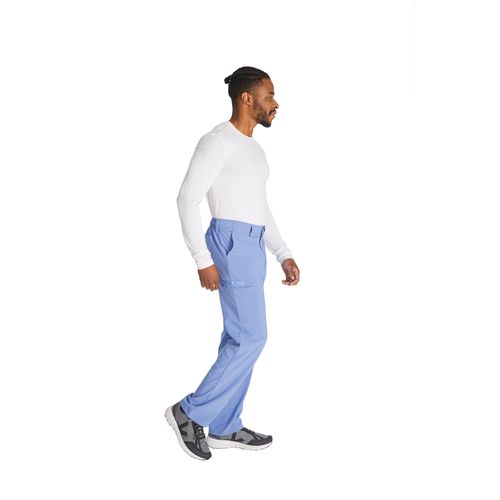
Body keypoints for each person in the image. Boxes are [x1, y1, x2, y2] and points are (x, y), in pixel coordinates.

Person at [165, 66, 300, 461]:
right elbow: (186, 199)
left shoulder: (255, 151)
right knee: (251, 338)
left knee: (238, 339)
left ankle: (225, 424)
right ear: (246, 98)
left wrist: (282, 251)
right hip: (229, 242)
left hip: (252, 244)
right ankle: (189, 412)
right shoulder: (217, 142)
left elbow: (260, 206)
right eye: (269, 96)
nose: (275, 103)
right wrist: (201, 259)